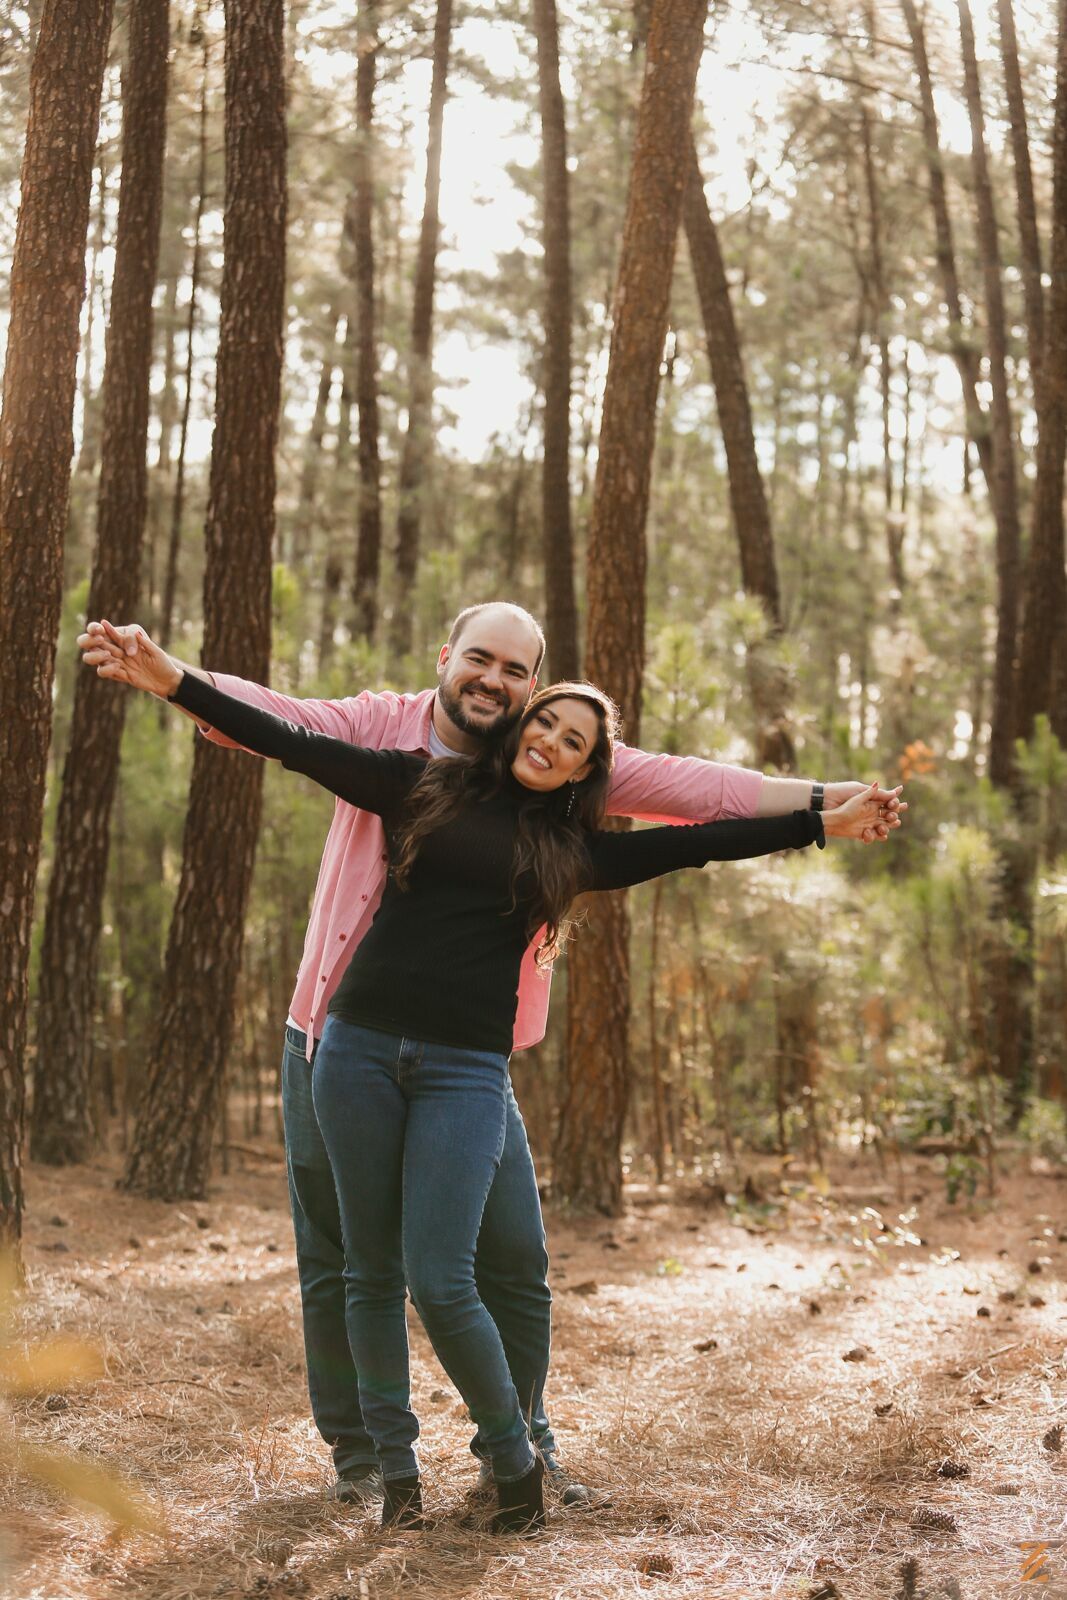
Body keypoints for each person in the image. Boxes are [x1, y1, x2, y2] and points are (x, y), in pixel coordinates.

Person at [80, 604, 904, 1511]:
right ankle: (364, 1461)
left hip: (469, 1062)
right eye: (481, 660)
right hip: (333, 1028)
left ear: (540, 703)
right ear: (448, 658)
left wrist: (825, 808)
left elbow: (705, 812)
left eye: (520, 675)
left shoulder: (567, 816)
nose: (498, 685)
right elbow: (287, 728)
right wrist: (173, 679)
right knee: (346, 1261)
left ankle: (518, 1445)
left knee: (503, 1258)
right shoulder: (398, 751)